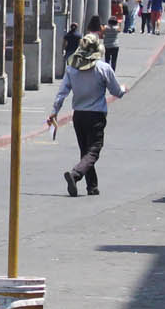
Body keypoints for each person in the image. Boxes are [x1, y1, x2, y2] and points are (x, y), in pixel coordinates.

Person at [48, 31, 124, 196]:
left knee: (85, 150)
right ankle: (75, 175)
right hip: (95, 115)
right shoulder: (103, 68)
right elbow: (116, 91)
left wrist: (54, 112)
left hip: (79, 116)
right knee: (94, 150)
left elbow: (62, 93)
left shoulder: (72, 69)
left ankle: (92, 186)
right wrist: (124, 89)